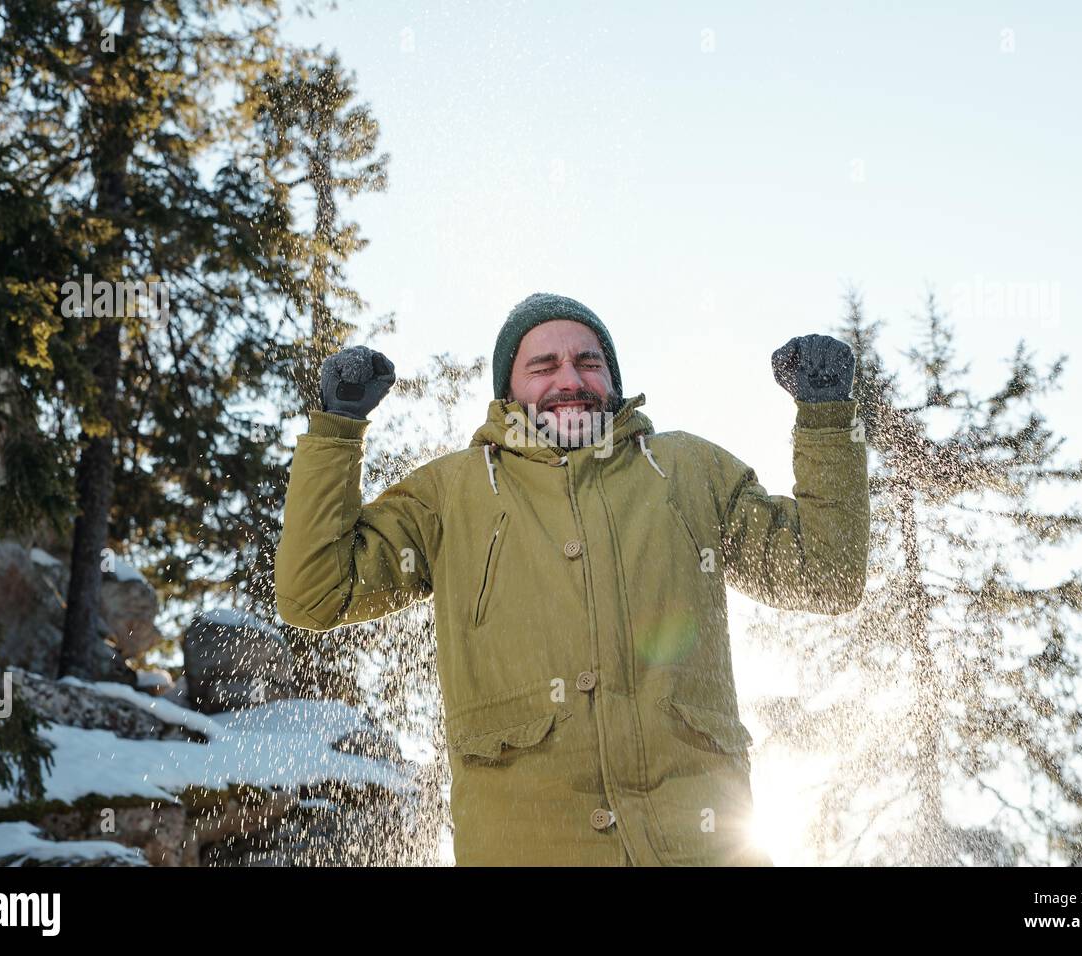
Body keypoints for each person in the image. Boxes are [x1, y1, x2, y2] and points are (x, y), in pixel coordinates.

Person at [275, 291, 869, 866]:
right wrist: (336, 430)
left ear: (612, 379)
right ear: (508, 389)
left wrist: (824, 419)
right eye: (544, 365)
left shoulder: (689, 470)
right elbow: (317, 593)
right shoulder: (451, 494)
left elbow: (824, 576)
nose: (571, 380)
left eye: (589, 362)